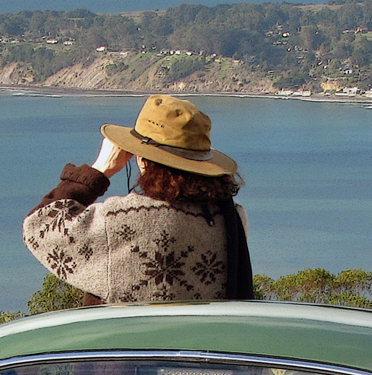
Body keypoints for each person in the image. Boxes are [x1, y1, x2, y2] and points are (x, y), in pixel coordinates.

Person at [22, 95, 252, 304]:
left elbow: (39, 227)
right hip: (201, 348)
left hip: (125, 348)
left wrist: (100, 171)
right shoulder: (233, 219)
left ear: (142, 159)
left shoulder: (117, 220)